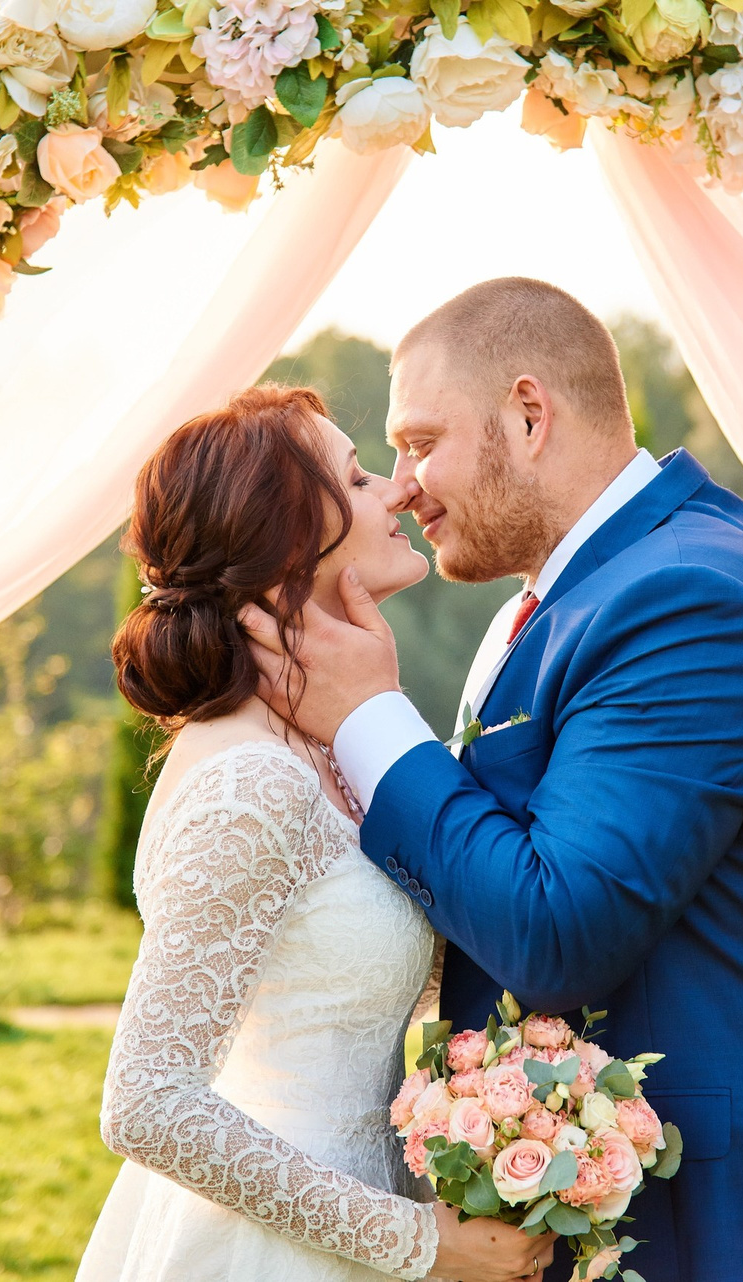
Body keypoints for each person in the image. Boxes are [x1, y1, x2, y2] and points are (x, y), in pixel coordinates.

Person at [242, 279, 743, 1281]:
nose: (403, 486)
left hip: (725, 1229)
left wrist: (367, 717)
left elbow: (558, 931)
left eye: (420, 442)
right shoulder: (574, 593)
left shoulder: (690, 599)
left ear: (528, 414)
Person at [77, 385, 554, 1282]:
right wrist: (418, 1243)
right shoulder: (251, 780)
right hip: (267, 1251)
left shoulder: (330, 748)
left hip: (364, 1212)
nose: (399, 489)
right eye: (360, 477)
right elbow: (146, 1103)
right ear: (289, 536)